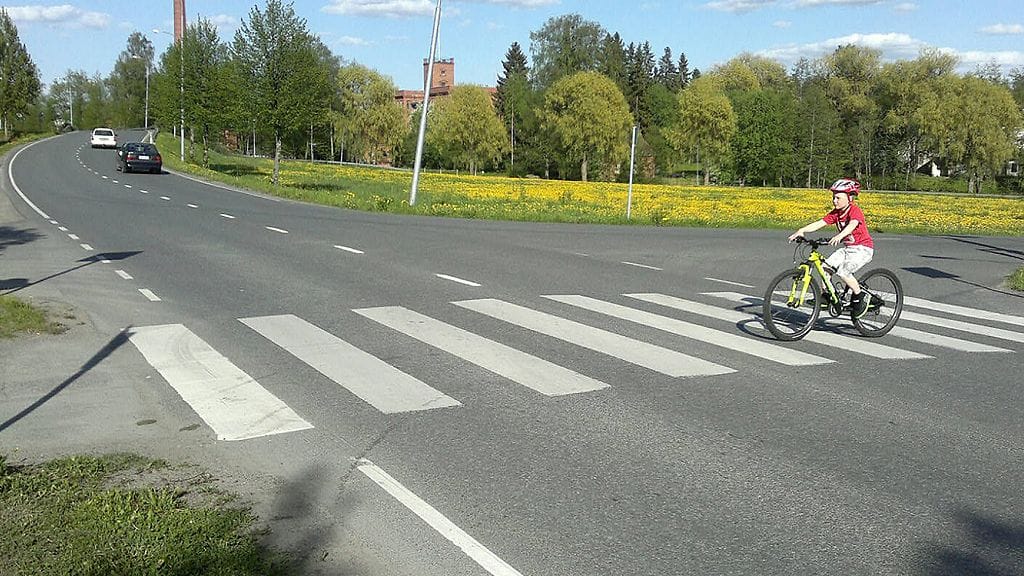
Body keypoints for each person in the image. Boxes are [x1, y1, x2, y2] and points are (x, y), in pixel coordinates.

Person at [788, 178, 874, 318]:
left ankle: (860, 297)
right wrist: (801, 230)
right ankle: (826, 297)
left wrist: (840, 235)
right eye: (834, 197)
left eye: (838, 197)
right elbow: (820, 223)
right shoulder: (836, 213)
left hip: (863, 249)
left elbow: (852, 225)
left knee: (843, 272)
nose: (835, 200)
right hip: (848, 249)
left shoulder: (854, 210)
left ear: (849, 198)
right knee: (826, 268)